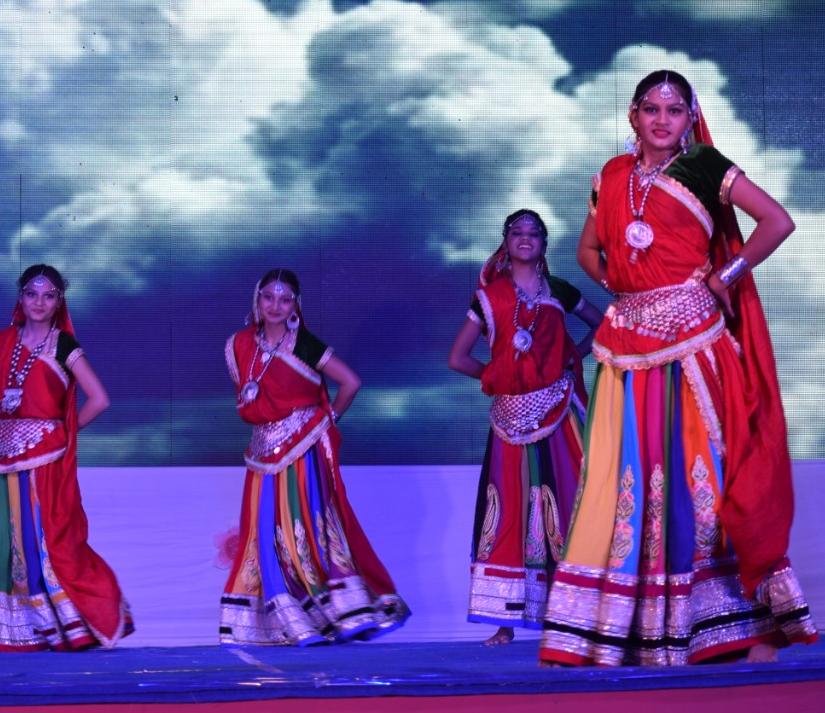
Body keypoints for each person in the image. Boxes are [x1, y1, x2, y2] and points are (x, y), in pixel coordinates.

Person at [539, 70, 818, 666]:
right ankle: (634, 626)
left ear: (691, 117)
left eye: (674, 110)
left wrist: (721, 279)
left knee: (702, 471)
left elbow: (777, 221)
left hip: (694, 344)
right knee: (626, 472)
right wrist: (628, 287)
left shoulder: (705, 167)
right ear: (633, 116)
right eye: (651, 109)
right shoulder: (612, 175)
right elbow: (588, 250)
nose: (662, 120)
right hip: (626, 346)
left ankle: (737, 622)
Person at [0, 264, 133, 651]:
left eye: (49, 295)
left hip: (44, 463)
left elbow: (99, 399)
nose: (39, 302)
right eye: (32, 294)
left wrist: (61, 432)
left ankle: (51, 626)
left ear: (59, 302)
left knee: (42, 542)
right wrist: (4, 425)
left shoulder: (64, 346)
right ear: (20, 297)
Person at [219, 268, 409, 646]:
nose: (275, 306)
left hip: (302, 451)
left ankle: (334, 612)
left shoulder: (304, 344)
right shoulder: (239, 345)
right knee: (264, 533)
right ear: (257, 300)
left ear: (296, 305)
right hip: (261, 453)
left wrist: (326, 420)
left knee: (306, 529)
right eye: (268, 297)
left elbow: (351, 382)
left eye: (284, 299)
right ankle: (285, 619)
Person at [448, 210, 602, 645]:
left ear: (544, 243)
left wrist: (571, 359)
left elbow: (602, 325)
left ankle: (578, 615)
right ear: (506, 240)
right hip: (509, 421)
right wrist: (499, 378)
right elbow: (457, 358)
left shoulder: (560, 290)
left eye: (534, 232)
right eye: (517, 231)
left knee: (571, 500)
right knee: (510, 509)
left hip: (560, 411)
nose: (525, 238)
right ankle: (504, 621)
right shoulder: (489, 297)